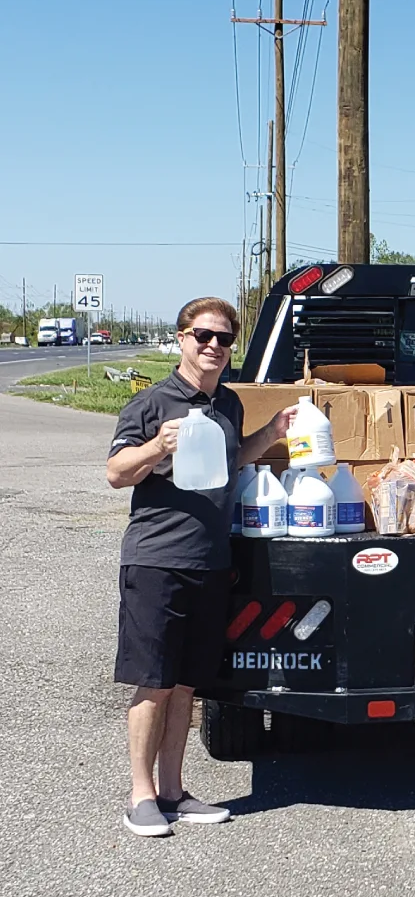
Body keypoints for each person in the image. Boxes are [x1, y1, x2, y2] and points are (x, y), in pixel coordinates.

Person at [106, 297, 296, 837]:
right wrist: (153, 447)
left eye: (224, 339)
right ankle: (141, 798)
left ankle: (173, 790)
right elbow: (116, 473)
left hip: (212, 563)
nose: (213, 346)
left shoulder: (229, 405)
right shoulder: (150, 403)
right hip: (157, 561)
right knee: (153, 682)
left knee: (187, 686)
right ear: (181, 339)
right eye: (203, 336)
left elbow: (231, 459)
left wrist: (272, 433)